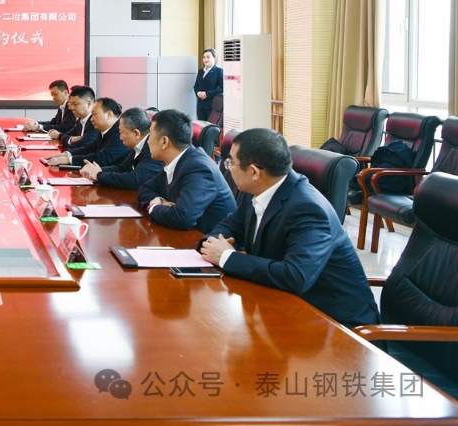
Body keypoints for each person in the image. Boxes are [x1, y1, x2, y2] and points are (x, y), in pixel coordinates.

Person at [200, 128, 380, 328]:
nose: (228, 168)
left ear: (254, 172)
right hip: (286, 306)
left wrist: (226, 257)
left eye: (231, 163)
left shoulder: (308, 208)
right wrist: (210, 244)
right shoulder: (256, 190)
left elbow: (295, 276)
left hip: (336, 325)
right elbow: (229, 225)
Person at [137, 109, 236, 233]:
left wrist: (153, 207)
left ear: (164, 141)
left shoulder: (199, 169)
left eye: (150, 135)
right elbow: (145, 188)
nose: (147, 141)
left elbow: (182, 218)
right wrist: (159, 200)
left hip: (210, 239)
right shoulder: (175, 160)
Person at [81, 107, 164, 190]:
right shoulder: (139, 146)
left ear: (136, 134)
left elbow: (135, 180)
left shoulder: (153, 148)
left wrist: (99, 175)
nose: (120, 138)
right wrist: (97, 170)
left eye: (121, 133)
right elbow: (123, 168)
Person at [44, 97, 129, 167]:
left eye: (94, 115)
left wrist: (69, 160)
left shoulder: (120, 132)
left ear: (109, 114)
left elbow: (103, 158)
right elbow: (89, 149)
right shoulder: (105, 131)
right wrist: (67, 154)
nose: (91, 119)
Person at [58, 85, 100, 151]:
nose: (71, 108)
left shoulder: (96, 122)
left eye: (75, 104)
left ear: (89, 104)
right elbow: (63, 136)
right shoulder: (80, 121)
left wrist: (67, 150)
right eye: (71, 104)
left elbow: (84, 145)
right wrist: (71, 139)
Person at [193, 48, 223, 121]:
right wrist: (198, 93)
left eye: (208, 57)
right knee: (201, 126)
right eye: (204, 57)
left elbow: (222, 88)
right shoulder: (201, 71)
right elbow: (196, 86)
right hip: (200, 106)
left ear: (214, 58)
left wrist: (207, 94)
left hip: (212, 106)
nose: (205, 59)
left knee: (210, 126)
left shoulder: (218, 71)